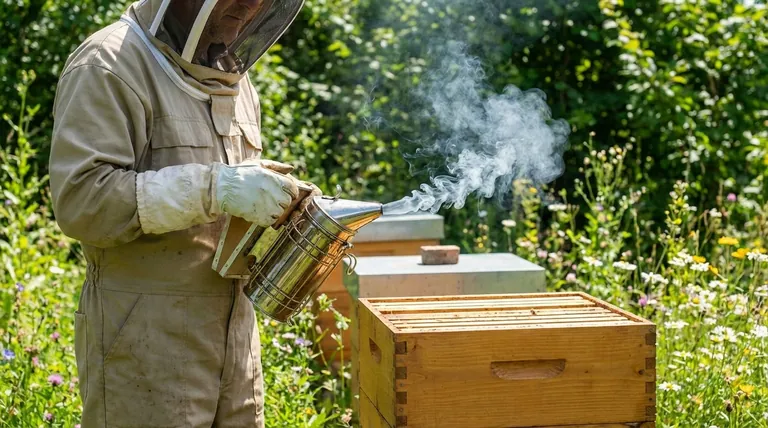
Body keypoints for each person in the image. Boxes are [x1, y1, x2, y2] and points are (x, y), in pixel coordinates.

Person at [48, 0, 316, 426]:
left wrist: (285, 209)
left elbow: (227, 217)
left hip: (236, 351)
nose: (252, 5)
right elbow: (82, 202)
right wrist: (215, 187)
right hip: (144, 348)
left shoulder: (236, 80)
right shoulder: (108, 65)